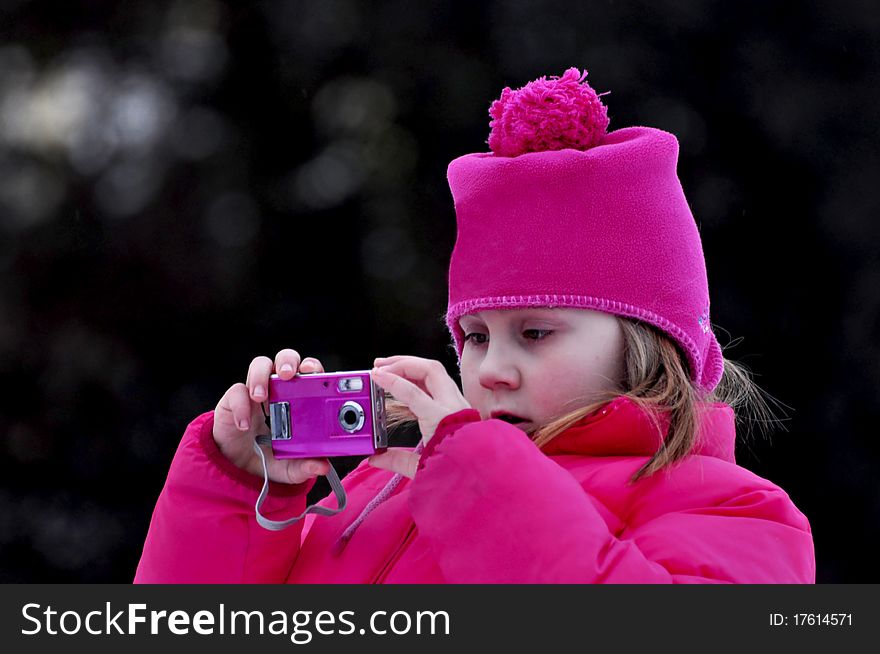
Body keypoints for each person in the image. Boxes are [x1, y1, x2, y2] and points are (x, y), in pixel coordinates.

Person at [134, 68, 815, 583]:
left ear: (649, 342)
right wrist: (242, 487)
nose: (490, 370)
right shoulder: (378, 489)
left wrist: (473, 478)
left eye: (536, 332)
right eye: (476, 337)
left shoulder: (737, 510)